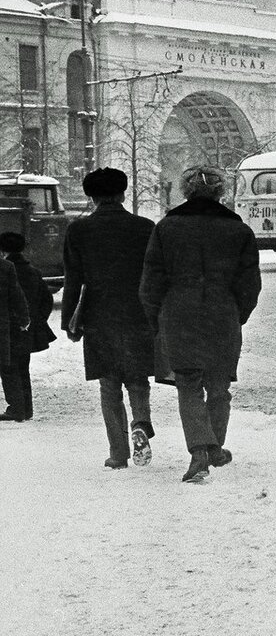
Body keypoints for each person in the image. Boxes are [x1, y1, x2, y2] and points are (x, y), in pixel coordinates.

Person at [140, 165, 262, 483]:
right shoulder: (239, 230)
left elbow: (151, 282)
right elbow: (250, 284)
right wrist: (239, 314)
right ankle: (215, 447)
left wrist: (157, 318)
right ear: (220, 192)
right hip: (223, 315)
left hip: (178, 314)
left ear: (187, 191)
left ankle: (199, 452)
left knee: (189, 385)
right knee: (219, 387)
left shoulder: (166, 228)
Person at [62, 167, 156, 469]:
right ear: (123, 193)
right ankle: (141, 422)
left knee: (109, 384)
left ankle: (118, 453)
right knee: (138, 379)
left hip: (99, 314)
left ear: (92, 197)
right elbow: (155, 275)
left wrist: (69, 322)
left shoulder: (78, 230)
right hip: (138, 312)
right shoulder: (145, 227)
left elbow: (72, 279)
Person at [0, 233, 52, 422]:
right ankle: (26, 408)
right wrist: (35, 321)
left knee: (8, 368)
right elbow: (46, 300)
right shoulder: (33, 271)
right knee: (23, 368)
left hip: (7, 328)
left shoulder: (5, 269)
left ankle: (16, 408)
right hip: (27, 328)